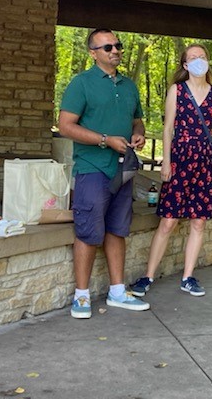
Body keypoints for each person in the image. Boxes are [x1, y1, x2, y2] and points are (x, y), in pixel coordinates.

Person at [59, 28, 150, 319]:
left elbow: (138, 121)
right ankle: (82, 297)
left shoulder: (129, 85)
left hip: (123, 169)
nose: (115, 50)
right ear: (93, 53)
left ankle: (117, 292)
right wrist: (104, 140)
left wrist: (138, 135)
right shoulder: (81, 84)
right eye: (107, 46)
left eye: (117, 45)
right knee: (87, 231)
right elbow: (66, 126)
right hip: (93, 168)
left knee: (117, 229)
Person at [130, 44, 212, 298]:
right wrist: (166, 160)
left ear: (208, 61)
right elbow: (168, 128)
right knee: (168, 220)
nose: (198, 61)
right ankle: (148, 275)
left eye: (202, 56)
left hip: (206, 162)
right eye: (192, 58)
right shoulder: (177, 90)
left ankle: (188, 276)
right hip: (180, 159)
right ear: (185, 65)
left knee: (198, 222)